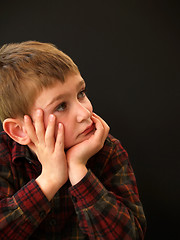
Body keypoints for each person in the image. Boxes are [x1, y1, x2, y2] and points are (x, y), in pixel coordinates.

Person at [0, 41, 146, 239]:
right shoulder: (3, 156)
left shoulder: (106, 149)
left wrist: (78, 169)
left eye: (81, 93)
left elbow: (130, 235)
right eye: (61, 106)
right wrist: (50, 179)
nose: (84, 112)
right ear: (20, 131)